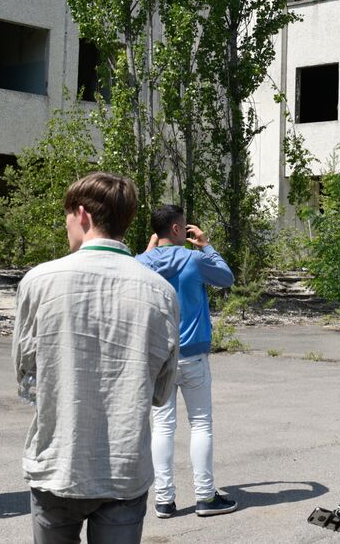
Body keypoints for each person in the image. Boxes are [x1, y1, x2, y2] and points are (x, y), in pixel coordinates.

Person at [13, 173, 180, 544]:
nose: (67, 225)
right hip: (124, 466)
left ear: (82, 214)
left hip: (59, 461)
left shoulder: (39, 282)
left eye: (67, 216)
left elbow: (25, 374)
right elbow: (161, 390)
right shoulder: (161, 292)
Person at [136, 205, 238, 518]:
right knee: (201, 424)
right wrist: (207, 246)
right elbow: (227, 278)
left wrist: (147, 253)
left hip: (158, 356)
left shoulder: (140, 264)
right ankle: (205, 496)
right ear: (179, 230)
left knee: (163, 426)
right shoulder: (196, 259)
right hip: (193, 354)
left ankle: (164, 500)